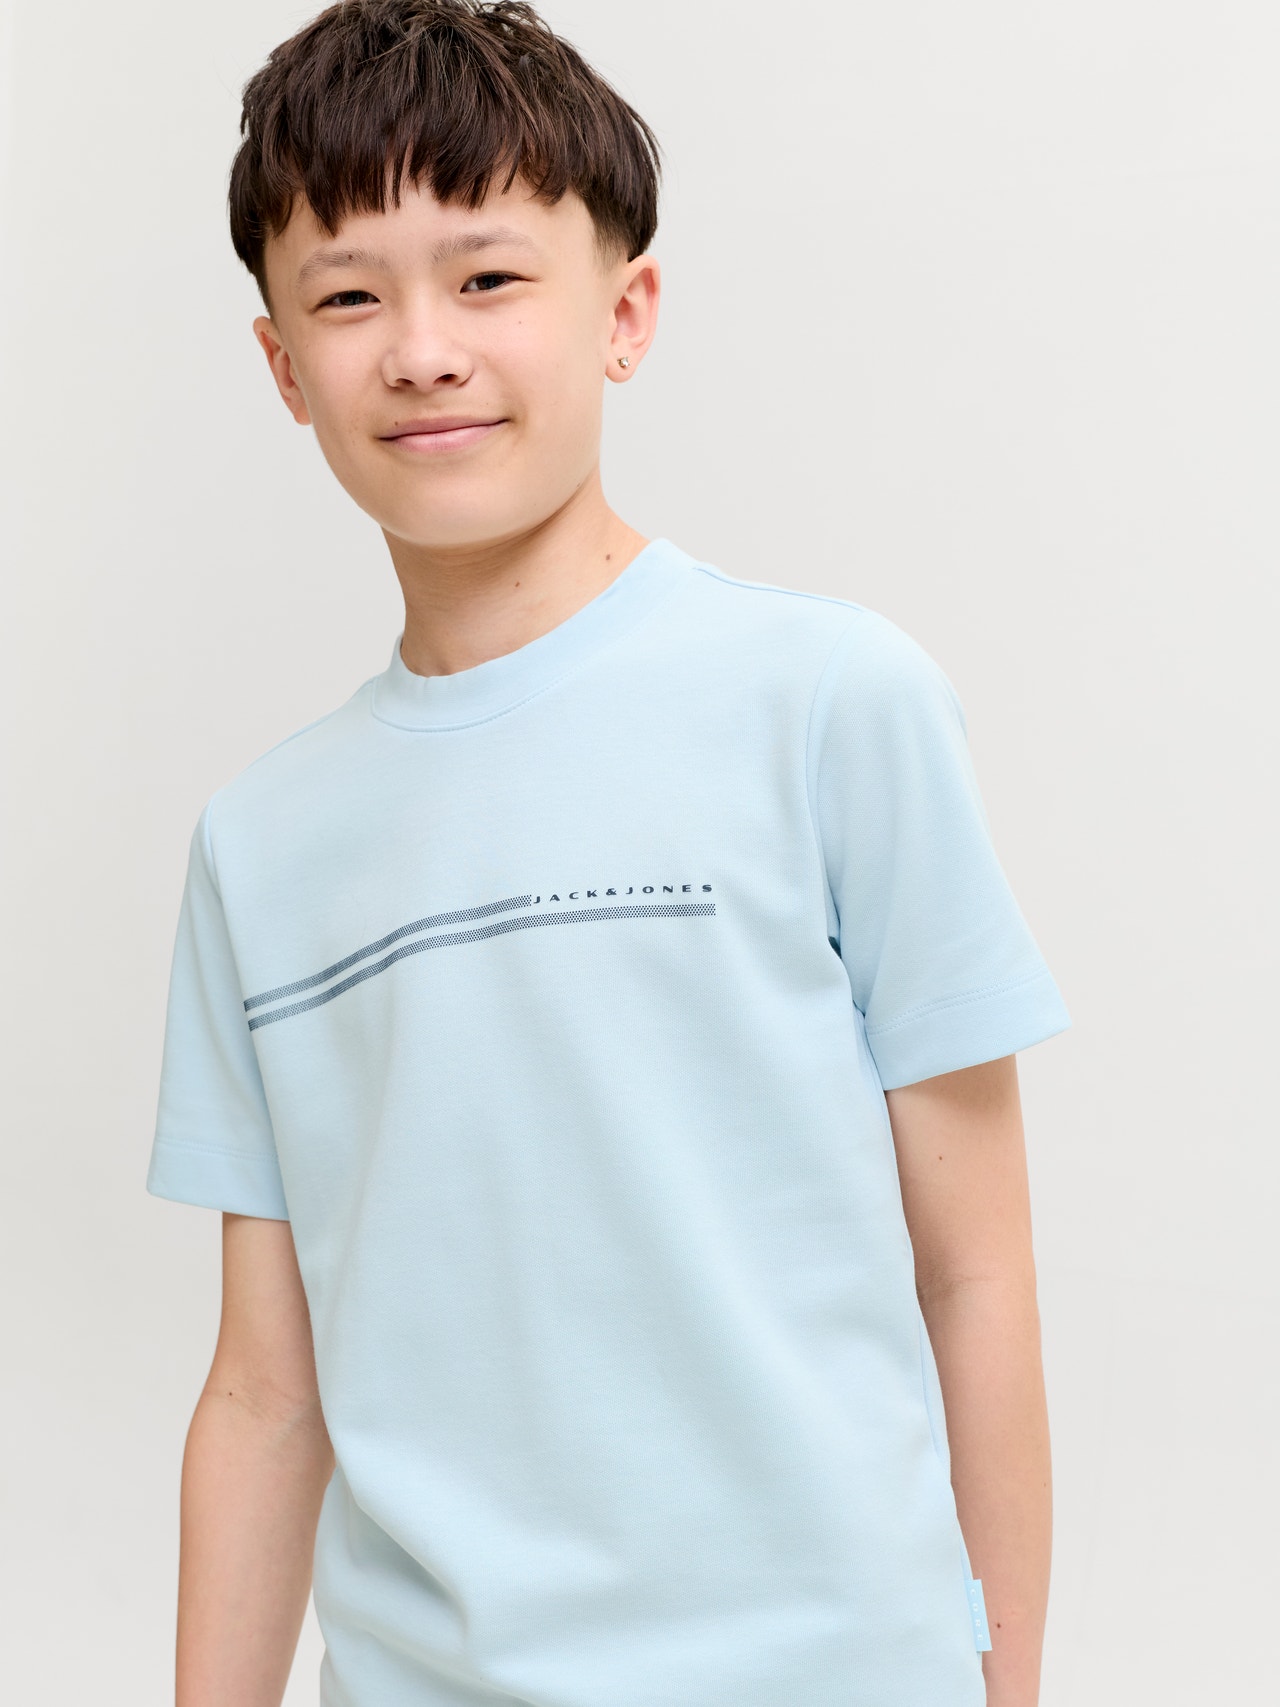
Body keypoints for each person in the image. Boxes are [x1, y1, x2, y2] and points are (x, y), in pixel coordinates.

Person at [144, 2, 1071, 1703]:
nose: (422, 349)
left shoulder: (827, 700)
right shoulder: (261, 847)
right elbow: (267, 1396)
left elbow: (977, 1272)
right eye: (348, 298)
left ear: (624, 313)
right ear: (281, 366)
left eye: (489, 277)